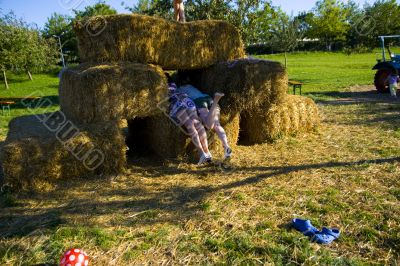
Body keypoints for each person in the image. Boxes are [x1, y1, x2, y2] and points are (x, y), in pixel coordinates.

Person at [176, 74, 232, 160]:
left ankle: (216, 100)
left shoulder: (179, 89)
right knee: (217, 125)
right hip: (207, 97)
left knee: (208, 125)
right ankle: (226, 146)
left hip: (199, 101)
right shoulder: (192, 86)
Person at [166, 74, 212, 164]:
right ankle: (207, 152)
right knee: (197, 123)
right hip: (187, 100)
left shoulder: (162, 87)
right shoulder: (175, 85)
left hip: (177, 103)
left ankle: (201, 153)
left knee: (189, 125)